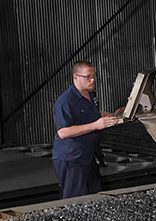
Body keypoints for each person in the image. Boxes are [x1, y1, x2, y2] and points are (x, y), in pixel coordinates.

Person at [52, 61, 121, 199]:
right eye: (88, 76)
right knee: (75, 201)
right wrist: (96, 125)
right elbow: (63, 132)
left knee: (94, 197)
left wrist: (111, 116)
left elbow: (88, 115)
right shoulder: (65, 101)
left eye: (93, 76)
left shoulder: (90, 95)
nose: (92, 80)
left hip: (88, 156)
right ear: (75, 77)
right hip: (72, 159)